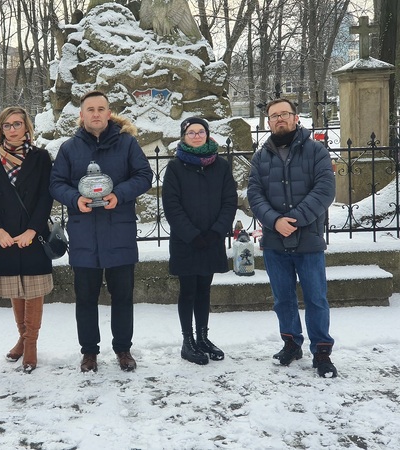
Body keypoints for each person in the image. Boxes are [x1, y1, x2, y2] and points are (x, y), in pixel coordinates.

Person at [49, 90, 152, 373]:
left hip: (119, 231)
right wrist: (75, 199)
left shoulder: (127, 144)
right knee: (85, 299)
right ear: (81, 115)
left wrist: (119, 194)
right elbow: (56, 183)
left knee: (123, 297)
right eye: (90, 109)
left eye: (101, 109)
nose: (95, 114)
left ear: (109, 113)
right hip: (84, 234)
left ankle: (123, 349)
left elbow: (144, 175)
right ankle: (89, 352)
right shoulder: (69, 148)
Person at [247, 98, 337, 378]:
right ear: (269, 122)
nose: (279, 119)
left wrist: (293, 220)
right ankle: (291, 343)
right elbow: (254, 194)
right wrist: (275, 221)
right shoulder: (261, 157)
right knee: (282, 299)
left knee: (316, 298)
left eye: (284, 114)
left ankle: (321, 351)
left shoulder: (316, 151)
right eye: (274, 116)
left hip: (308, 239)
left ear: (296, 118)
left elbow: (324, 190)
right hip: (275, 241)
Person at [0, 106, 53, 373]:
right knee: (15, 288)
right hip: (5, 235)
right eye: (7, 125)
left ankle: (31, 343)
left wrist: (33, 230)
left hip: (33, 233)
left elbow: (46, 197)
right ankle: (22, 339)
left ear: (26, 127)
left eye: (17, 124)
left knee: (33, 288)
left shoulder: (41, 157)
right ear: (1, 129)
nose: (12, 129)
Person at [162, 117, 237, 365]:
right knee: (188, 290)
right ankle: (188, 341)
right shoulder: (175, 167)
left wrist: (217, 232)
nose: (196, 136)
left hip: (212, 239)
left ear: (207, 134)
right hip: (186, 241)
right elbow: (171, 205)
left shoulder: (221, 165)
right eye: (191, 132)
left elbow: (229, 201)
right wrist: (192, 235)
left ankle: (202, 337)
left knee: (204, 289)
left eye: (200, 131)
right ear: (184, 137)